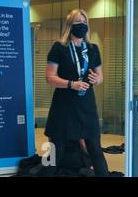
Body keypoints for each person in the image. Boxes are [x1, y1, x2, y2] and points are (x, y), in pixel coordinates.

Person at [45, 9, 109, 176]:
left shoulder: (93, 48)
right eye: (77, 22)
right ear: (69, 26)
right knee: (55, 151)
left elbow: (100, 75)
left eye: (84, 22)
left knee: (94, 147)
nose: (82, 26)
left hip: (86, 104)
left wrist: (97, 79)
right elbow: (50, 77)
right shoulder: (59, 47)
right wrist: (71, 84)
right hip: (64, 105)